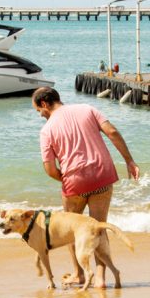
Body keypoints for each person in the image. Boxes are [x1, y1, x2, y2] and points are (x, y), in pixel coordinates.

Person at [33, 86, 140, 287]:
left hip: (75, 183)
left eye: (39, 110)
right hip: (102, 176)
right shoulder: (87, 109)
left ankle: (79, 274)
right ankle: (100, 278)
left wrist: (66, 179)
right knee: (99, 227)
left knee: (71, 230)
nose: (40, 115)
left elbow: (50, 169)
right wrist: (129, 161)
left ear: (44, 104)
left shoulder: (46, 130)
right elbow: (112, 132)